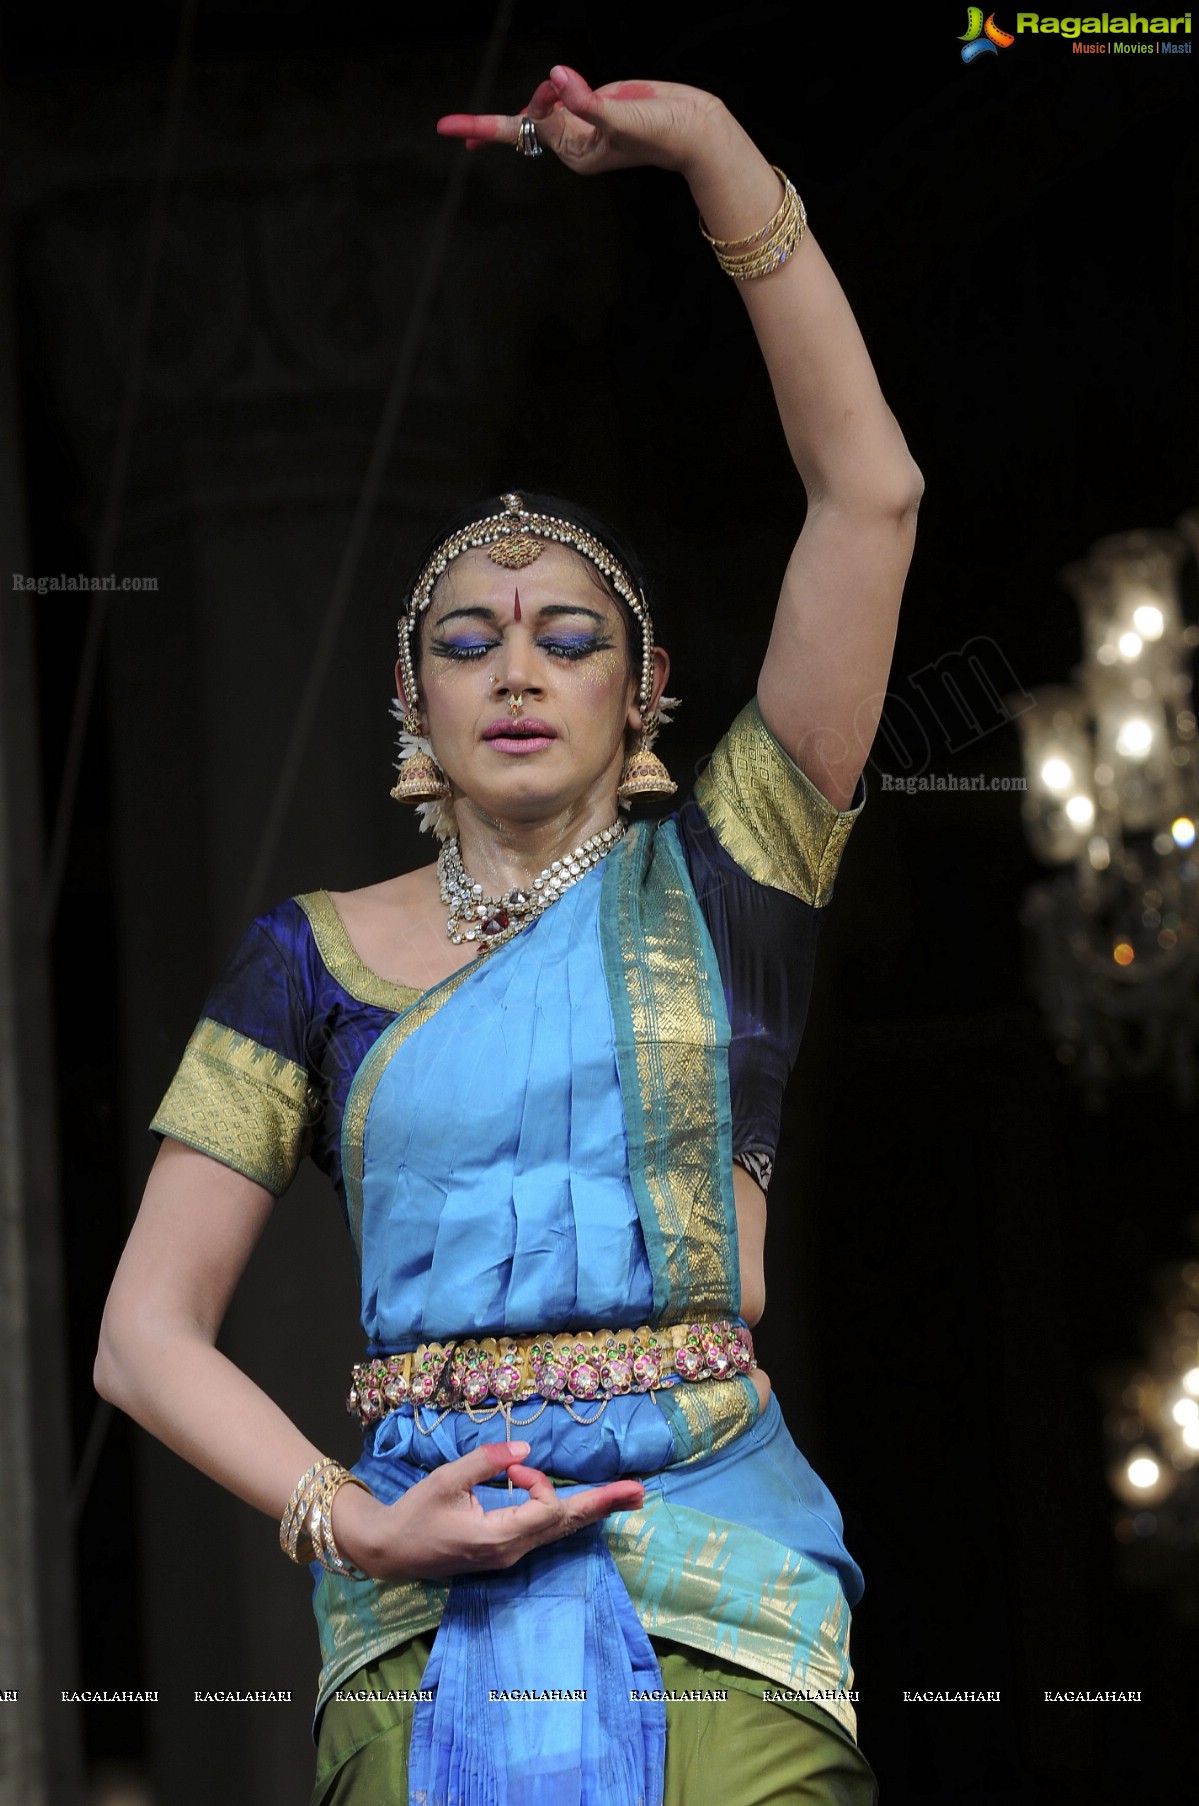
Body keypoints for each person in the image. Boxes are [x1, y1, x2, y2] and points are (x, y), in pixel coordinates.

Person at [95, 64, 921, 1806]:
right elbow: (141, 1335)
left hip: (723, 1590)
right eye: (470, 639)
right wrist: (356, 1516)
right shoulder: (304, 959)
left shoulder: (728, 875)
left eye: (569, 634)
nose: (521, 666)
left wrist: (707, 149)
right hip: (417, 1622)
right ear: (412, 700)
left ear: (648, 696)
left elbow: (871, 500)